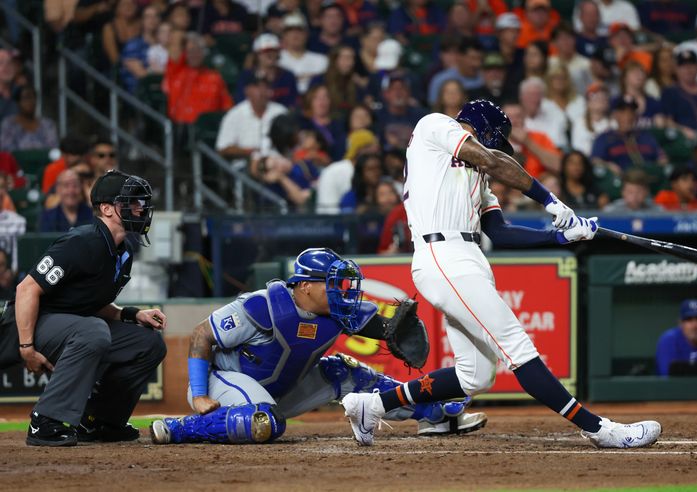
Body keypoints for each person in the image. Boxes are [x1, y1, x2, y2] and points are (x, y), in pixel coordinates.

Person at [341, 99, 661, 448]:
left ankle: (370, 406)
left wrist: (560, 236)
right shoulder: (436, 126)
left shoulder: (477, 177)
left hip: (468, 256)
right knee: (517, 347)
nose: (496, 148)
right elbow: (493, 159)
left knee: (475, 374)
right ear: (485, 130)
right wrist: (550, 201)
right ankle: (601, 430)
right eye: (496, 139)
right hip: (442, 254)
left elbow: (501, 231)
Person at [148, 248, 486, 444]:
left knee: (345, 371)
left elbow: (387, 329)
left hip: (279, 390)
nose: (343, 291)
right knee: (264, 420)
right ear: (305, 286)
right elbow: (200, 335)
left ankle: (434, 414)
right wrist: (200, 392)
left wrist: (395, 331)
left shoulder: (338, 311)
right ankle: (178, 428)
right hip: (221, 382)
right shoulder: (262, 306)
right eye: (333, 284)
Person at [0, 171, 167, 446]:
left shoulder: (123, 252)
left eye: (141, 202)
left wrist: (131, 314)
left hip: (69, 325)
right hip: (24, 326)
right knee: (93, 330)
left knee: (148, 343)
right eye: (132, 201)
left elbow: (90, 302)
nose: (140, 208)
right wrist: (26, 347)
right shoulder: (81, 241)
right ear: (106, 208)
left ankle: (99, 421)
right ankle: (46, 421)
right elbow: (26, 289)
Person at [217, 77, 288, 172]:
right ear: (247, 91)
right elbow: (223, 148)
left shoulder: (280, 111)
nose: (263, 92)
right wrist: (250, 151)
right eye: (258, 87)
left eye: (267, 87)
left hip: (279, 162)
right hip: (246, 165)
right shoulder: (234, 115)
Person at [164, 32, 233, 125]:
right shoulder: (176, 72)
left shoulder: (215, 77)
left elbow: (227, 106)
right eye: (190, 51)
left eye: (198, 50)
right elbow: (175, 43)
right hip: (179, 129)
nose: (194, 54)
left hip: (208, 129)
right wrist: (186, 40)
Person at [591, 95, 667, 174]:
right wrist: (608, 166)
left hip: (648, 179)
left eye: (631, 111)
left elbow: (662, 159)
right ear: (614, 114)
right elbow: (595, 161)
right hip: (620, 181)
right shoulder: (604, 138)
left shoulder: (646, 136)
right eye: (623, 111)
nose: (628, 116)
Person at [235, 33, 298, 108]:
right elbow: (242, 103)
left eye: (273, 51)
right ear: (257, 55)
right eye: (265, 51)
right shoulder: (246, 76)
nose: (270, 54)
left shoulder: (288, 76)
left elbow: (292, 104)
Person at [0, 85, 59, 152]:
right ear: (18, 102)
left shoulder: (48, 125)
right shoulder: (9, 124)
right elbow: (6, 151)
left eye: (33, 98)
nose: (30, 102)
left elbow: (54, 151)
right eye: (26, 98)